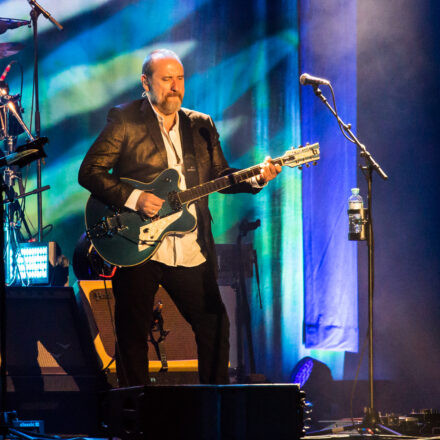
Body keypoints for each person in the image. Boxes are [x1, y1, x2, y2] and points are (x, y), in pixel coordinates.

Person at [78, 48, 281, 386]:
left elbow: (221, 176)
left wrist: (259, 177)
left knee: (215, 325)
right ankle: (135, 419)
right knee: (132, 333)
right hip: (137, 244)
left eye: (180, 78)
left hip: (188, 246)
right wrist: (135, 198)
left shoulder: (200, 124)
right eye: (166, 79)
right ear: (146, 82)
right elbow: (90, 172)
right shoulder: (125, 119)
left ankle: (214, 410)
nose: (175, 86)